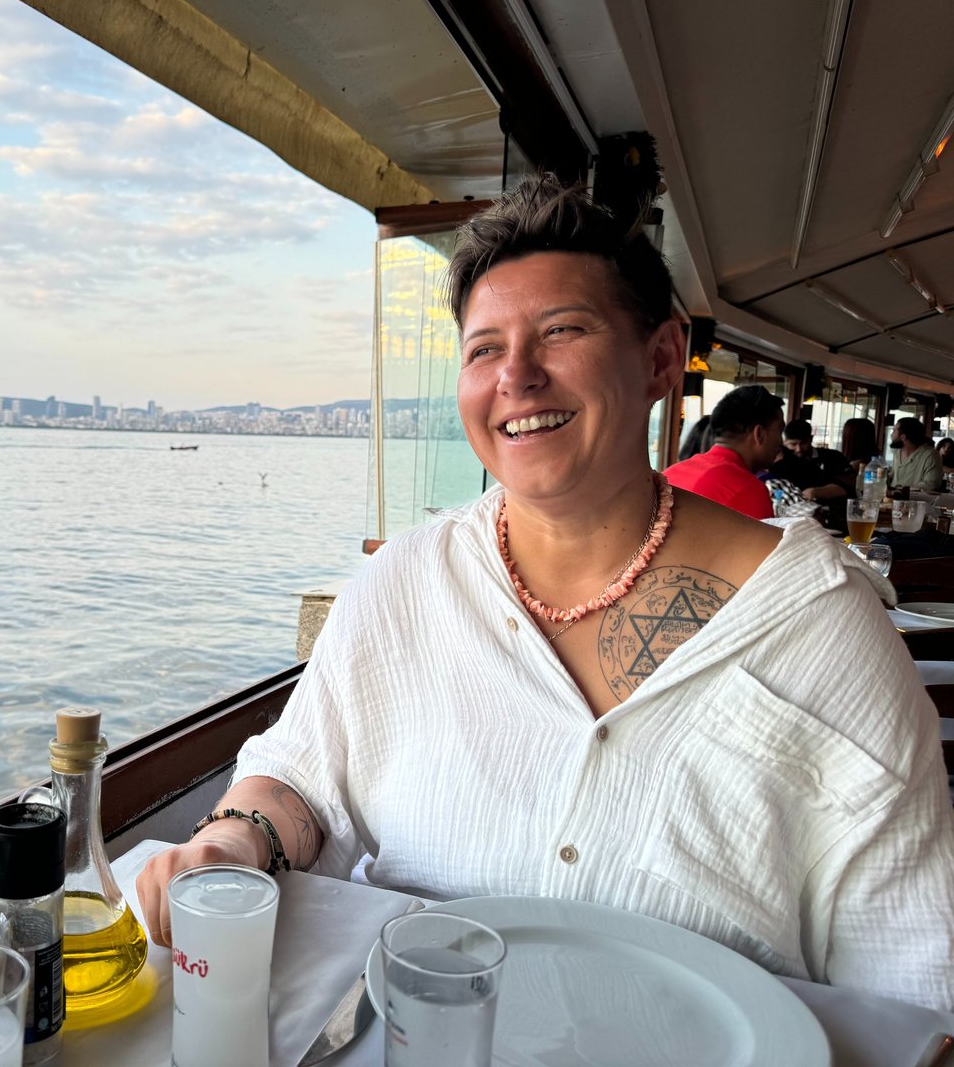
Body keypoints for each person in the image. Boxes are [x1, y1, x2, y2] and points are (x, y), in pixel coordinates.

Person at [136, 176, 954, 1011]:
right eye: (484, 348)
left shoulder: (823, 631)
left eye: (562, 330)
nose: (516, 376)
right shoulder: (405, 585)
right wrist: (232, 841)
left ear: (660, 360)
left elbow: (917, 989)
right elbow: (301, 779)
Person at [662, 386, 785, 519]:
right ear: (759, 434)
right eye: (780, 431)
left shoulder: (670, 473)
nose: (781, 441)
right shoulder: (747, 490)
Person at [769, 418, 853, 529]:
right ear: (784, 443)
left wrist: (815, 492)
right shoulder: (779, 467)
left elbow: (845, 487)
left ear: (811, 439)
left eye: (803, 443)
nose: (798, 449)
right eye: (793, 444)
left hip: (833, 517)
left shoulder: (832, 457)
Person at [890, 417, 943, 492]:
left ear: (903, 437)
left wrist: (902, 490)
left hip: (914, 499)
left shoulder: (930, 456)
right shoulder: (897, 452)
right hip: (890, 498)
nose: (891, 435)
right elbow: (893, 477)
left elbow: (931, 485)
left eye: (894, 431)